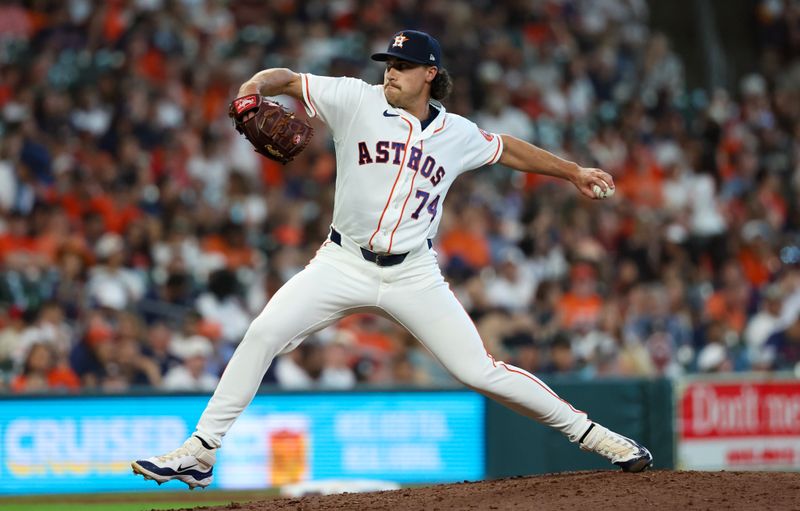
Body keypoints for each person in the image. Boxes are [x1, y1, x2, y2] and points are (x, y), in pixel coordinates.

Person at [132, 30, 651, 489]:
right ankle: (201, 451)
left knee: (479, 371)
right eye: (388, 63)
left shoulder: (457, 134)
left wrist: (573, 172)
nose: (391, 73)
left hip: (413, 272)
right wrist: (251, 88)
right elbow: (286, 79)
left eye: (403, 66)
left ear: (430, 74)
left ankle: (598, 437)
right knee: (264, 332)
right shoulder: (355, 99)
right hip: (342, 262)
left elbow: (508, 149)